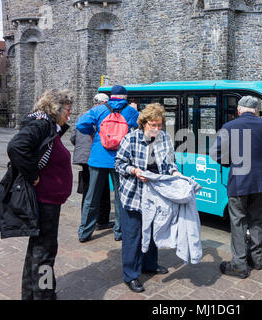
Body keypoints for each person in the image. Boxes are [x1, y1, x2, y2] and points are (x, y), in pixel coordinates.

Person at [6, 88, 74, 300]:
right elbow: (16, 147)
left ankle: (30, 295)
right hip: (45, 202)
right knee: (45, 254)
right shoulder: (43, 125)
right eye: (67, 110)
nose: (69, 115)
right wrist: (33, 174)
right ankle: (45, 295)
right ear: (56, 109)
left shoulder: (48, 125)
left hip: (47, 201)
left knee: (36, 251)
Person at [209, 96, 262, 279]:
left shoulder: (229, 127)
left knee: (238, 222)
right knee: (257, 220)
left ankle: (239, 265)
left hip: (240, 181)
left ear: (239, 110)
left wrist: (230, 163)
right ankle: (257, 260)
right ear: (256, 111)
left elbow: (215, 155)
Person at [115, 103, 182, 293]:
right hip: (134, 194)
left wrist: (175, 174)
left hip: (156, 194)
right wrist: (135, 171)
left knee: (153, 231)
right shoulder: (131, 139)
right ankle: (131, 274)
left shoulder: (165, 139)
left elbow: (170, 163)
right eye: (153, 125)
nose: (157, 129)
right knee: (133, 235)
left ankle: (150, 264)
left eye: (160, 125)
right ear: (144, 123)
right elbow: (119, 164)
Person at [76, 85, 139, 242]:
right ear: (124, 97)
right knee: (121, 196)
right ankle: (119, 232)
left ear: (112, 96)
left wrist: (95, 132)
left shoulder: (99, 110)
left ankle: (84, 232)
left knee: (92, 196)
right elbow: (140, 127)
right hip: (121, 159)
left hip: (98, 157)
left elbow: (80, 125)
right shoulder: (130, 111)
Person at [70, 93, 113, 232]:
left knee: (88, 191)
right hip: (95, 158)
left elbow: (73, 137)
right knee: (103, 190)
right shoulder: (103, 115)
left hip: (82, 157)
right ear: (105, 103)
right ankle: (101, 221)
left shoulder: (83, 115)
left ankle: (87, 219)